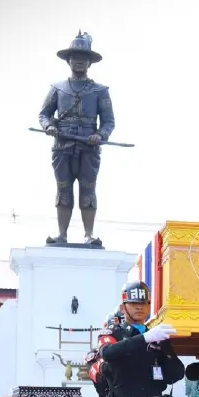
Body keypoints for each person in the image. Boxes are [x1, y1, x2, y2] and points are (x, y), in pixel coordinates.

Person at [38, 32, 116, 246]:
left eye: (84, 57)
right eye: (75, 56)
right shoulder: (57, 89)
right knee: (63, 187)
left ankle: (88, 234)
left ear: (90, 62)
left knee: (88, 188)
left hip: (88, 148)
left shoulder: (100, 91)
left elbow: (109, 121)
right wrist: (50, 126)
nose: (79, 60)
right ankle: (62, 234)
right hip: (62, 145)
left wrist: (100, 135)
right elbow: (44, 114)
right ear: (68, 60)